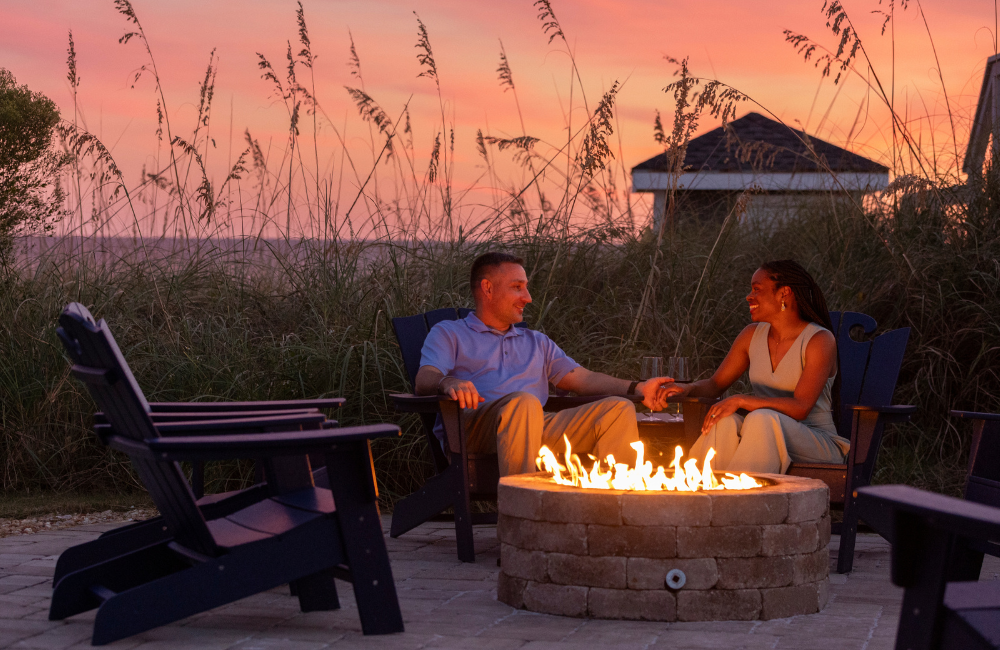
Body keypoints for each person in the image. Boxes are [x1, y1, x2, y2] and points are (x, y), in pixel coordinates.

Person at [415, 252, 674, 476]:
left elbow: (583, 379)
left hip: (535, 426)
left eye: (526, 287)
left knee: (616, 410)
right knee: (524, 403)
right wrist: (447, 382)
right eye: (517, 287)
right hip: (474, 430)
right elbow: (425, 377)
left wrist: (638, 388)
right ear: (488, 288)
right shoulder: (449, 333)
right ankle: (523, 513)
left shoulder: (536, 342)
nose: (527, 297)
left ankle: (614, 510)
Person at [667, 259, 850, 474]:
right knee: (724, 421)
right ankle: (703, 494)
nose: (749, 296)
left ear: (784, 293)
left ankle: (742, 501)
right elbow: (715, 384)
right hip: (763, 430)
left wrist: (742, 399)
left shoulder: (819, 340)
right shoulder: (751, 335)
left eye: (757, 289)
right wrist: (688, 389)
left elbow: (801, 407)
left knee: (761, 418)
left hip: (816, 442)